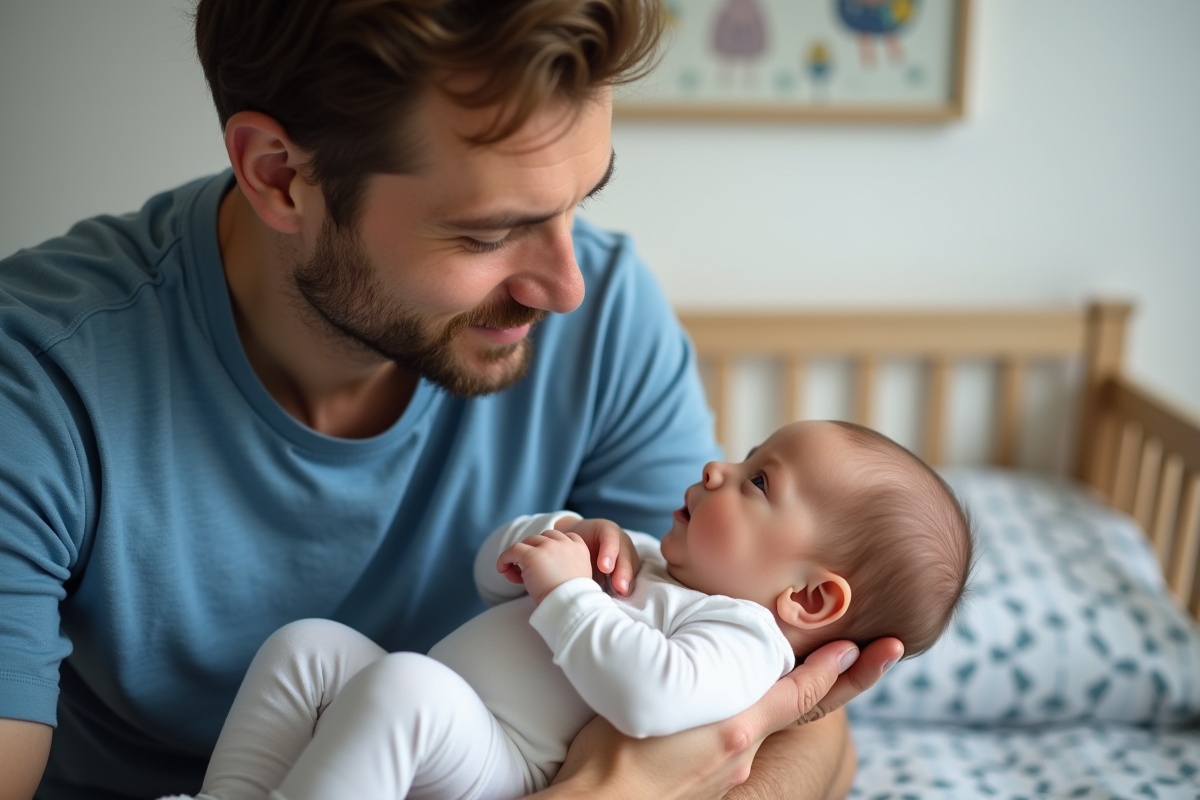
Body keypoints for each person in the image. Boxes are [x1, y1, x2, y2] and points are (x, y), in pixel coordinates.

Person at [0, 2, 904, 798]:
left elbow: (801, 732)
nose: (566, 287)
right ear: (280, 174)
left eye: (579, 203)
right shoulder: (36, 378)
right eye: (489, 231)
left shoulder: (610, 322)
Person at [163, 419, 969, 800]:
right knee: (309, 647)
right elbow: (491, 576)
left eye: (760, 481)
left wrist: (570, 590)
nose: (721, 466)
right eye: (746, 455)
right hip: (461, 719)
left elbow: (650, 696)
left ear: (809, 597)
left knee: (402, 686)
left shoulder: (744, 641)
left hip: (511, 761)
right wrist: (555, 536)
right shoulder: (651, 560)